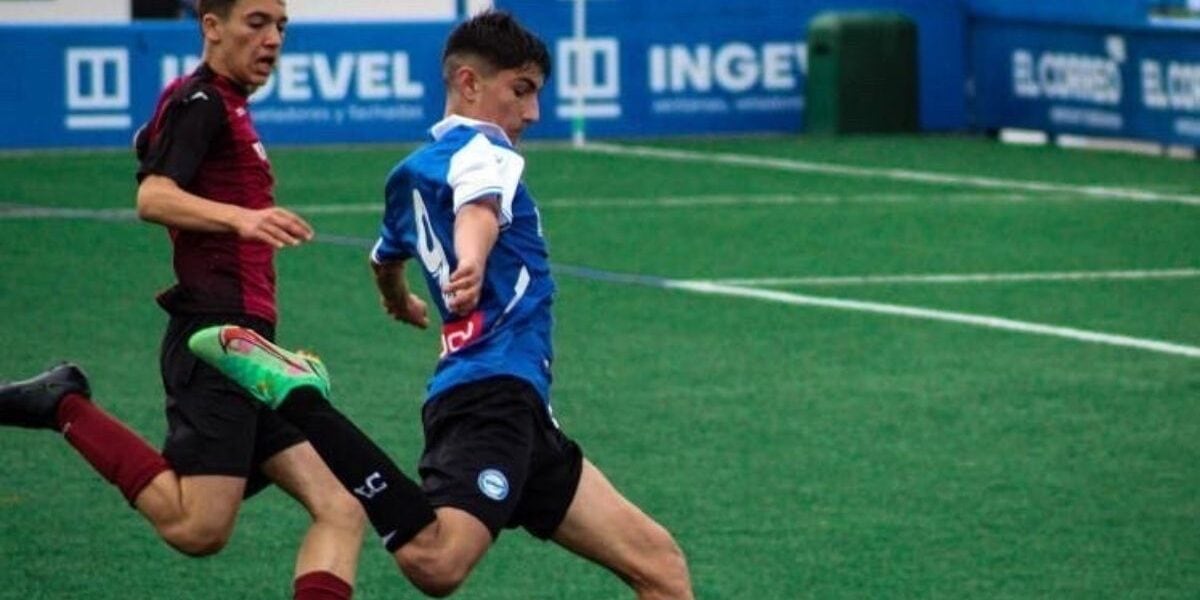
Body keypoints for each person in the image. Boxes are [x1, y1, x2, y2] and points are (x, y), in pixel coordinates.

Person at [188, 10, 693, 599]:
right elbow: (478, 210)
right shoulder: (488, 150)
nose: (531, 113)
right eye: (521, 91)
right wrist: (473, 259)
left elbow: (384, 255)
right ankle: (304, 400)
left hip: (521, 408)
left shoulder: (410, 173)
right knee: (436, 561)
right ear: (470, 84)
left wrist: (397, 298)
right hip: (490, 395)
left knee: (660, 565)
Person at [0, 1, 365, 598]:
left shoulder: (223, 104)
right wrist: (240, 219)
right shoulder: (202, 102)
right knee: (198, 527)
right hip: (213, 337)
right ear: (211, 27)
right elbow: (153, 197)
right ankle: (63, 405)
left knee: (340, 505)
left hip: (247, 347)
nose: (273, 38)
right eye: (256, 22)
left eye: (280, 26)